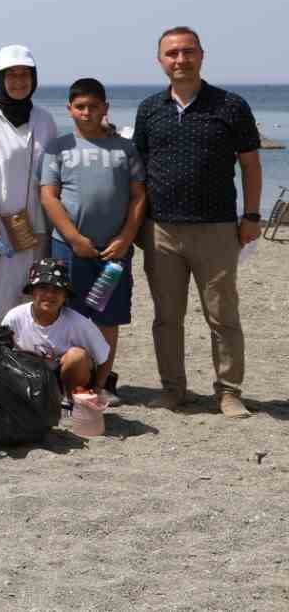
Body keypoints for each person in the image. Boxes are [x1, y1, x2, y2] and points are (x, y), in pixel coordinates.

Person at [133, 26, 261, 418]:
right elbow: (137, 171)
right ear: (160, 61)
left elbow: (251, 164)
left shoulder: (230, 105)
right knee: (167, 317)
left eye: (188, 52)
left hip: (218, 228)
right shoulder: (149, 109)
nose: (180, 59)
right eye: (172, 54)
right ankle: (174, 389)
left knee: (223, 316)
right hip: (161, 231)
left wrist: (252, 215)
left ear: (201, 56)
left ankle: (228, 392)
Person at [41, 79, 147, 406]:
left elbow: (138, 197)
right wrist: (73, 238)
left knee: (107, 318)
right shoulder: (58, 147)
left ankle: (100, 385)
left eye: (93, 106)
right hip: (68, 247)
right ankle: (68, 384)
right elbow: (49, 196)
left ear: (105, 108)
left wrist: (126, 237)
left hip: (113, 252)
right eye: (80, 107)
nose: (86, 113)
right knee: (67, 315)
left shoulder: (124, 149)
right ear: (70, 109)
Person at [0, 45, 59, 333]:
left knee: (33, 292)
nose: (19, 81)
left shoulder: (44, 119)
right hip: (1, 227)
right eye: (12, 75)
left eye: (25, 75)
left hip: (38, 226)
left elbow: (54, 167)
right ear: (0, 79)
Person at [3, 258, 111, 396]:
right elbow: (1, 353)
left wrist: (98, 388)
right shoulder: (14, 317)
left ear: (65, 295)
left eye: (57, 290)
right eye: (43, 288)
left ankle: (70, 399)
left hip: (64, 379)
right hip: (29, 377)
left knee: (77, 357)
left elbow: (103, 358)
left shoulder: (79, 324)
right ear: (32, 291)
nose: (49, 295)